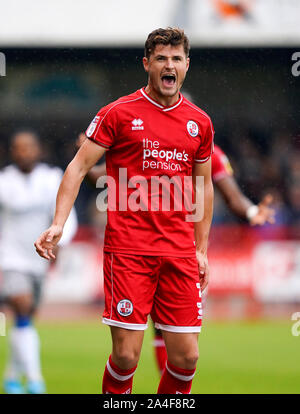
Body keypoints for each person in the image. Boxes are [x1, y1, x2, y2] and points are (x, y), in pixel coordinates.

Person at [35, 27, 214, 394]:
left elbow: (204, 186)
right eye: (161, 58)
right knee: (127, 356)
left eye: (176, 59)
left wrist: (201, 248)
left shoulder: (200, 122)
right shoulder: (118, 113)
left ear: (187, 65)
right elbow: (78, 167)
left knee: (186, 358)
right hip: (129, 251)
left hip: (179, 252)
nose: (169, 65)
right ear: (147, 64)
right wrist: (58, 223)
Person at [75, 134, 275, 374]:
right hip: (140, 248)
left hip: (184, 250)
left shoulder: (207, 149)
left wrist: (252, 211)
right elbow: (101, 177)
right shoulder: (143, 146)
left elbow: (230, 194)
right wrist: (84, 161)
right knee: (143, 340)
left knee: (179, 340)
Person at [0, 130, 78, 394]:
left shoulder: (52, 178)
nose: (24, 153)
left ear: (38, 149)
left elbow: (67, 215)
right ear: (12, 152)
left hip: (40, 260)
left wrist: (61, 247)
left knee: (26, 320)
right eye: (19, 148)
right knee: (21, 308)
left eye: (29, 147)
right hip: (10, 259)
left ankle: (11, 377)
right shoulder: (3, 181)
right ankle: (35, 381)